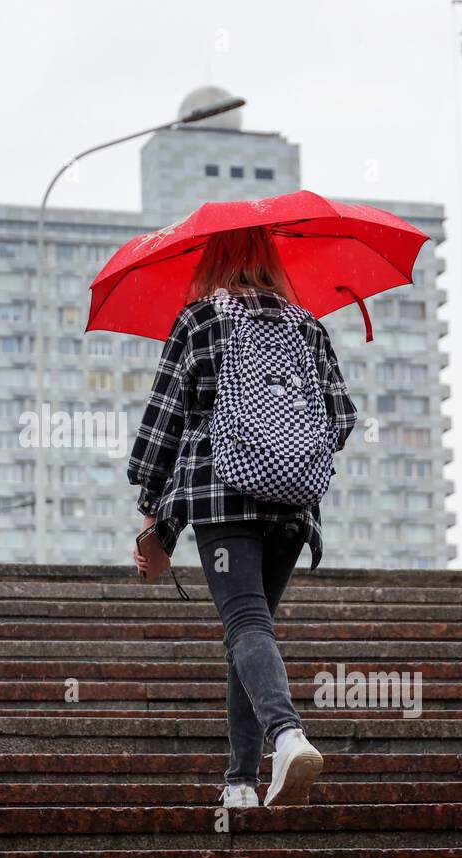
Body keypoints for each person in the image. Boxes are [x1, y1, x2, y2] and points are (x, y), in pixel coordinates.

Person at [127, 225, 356, 808]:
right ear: (273, 260)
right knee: (250, 632)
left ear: (212, 261)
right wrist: (285, 445)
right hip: (293, 500)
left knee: (246, 626)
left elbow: (164, 422)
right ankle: (239, 783)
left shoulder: (200, 319)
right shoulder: (307, 325)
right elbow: (342, 417)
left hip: (221, 498)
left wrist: (153, 512)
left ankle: (287, 735)